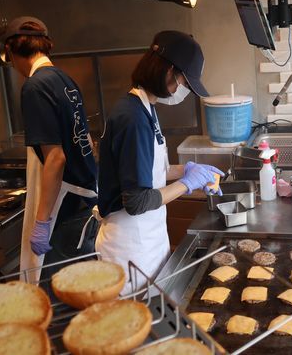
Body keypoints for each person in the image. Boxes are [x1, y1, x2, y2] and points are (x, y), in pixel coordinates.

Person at [96, 30, 223, 294]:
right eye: (183, 82)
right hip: (130, 248)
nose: (182, 90)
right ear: (166, 70)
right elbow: (137, 201)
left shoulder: (145, 109)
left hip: (148, 240)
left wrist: (186, 170)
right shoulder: (132, 119)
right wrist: (188, 184)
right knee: (140, 326)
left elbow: (151, 172)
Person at [0, 17, 99, 282]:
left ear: (10, 51)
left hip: (65, 211)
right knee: (81, 292)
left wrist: (42, 223)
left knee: (58, 303)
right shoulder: (64, 79)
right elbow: (86, 140)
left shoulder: (34, 87)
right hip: (85, 204)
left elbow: (56, 157)